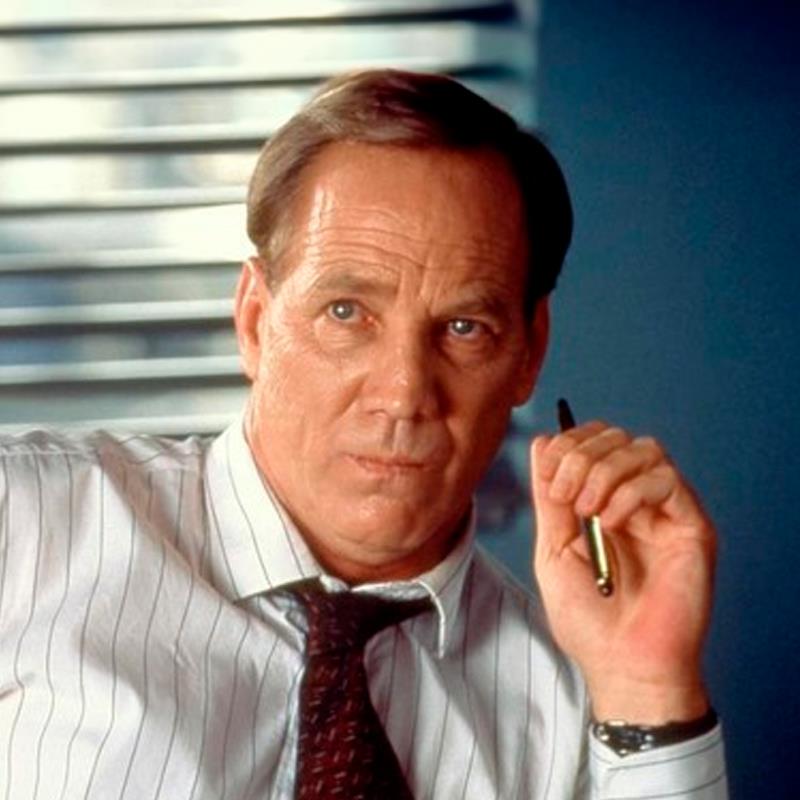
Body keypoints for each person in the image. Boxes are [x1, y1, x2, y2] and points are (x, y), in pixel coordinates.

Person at [0, 70, 726, 799]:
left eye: (464, 327)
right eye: (346, 312)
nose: (404, 394)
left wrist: (648, 688)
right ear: (255, 321)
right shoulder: (24, 526)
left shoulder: (594, 703)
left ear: (529, 353)